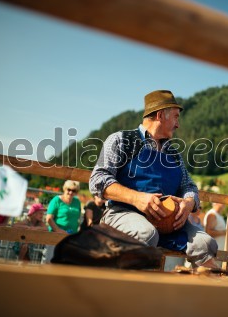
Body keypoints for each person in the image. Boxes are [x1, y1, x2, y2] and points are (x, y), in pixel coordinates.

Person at [90, 90, 218, 268]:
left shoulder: (174, 155)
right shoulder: (120, 140)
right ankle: (123, 291)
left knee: (205, 243)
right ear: (160, 115)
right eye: (175, 117)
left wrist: (189, 202)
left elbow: (188, 185)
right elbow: (98, 179)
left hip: (166, 222)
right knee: (146, 233)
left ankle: (206, 293)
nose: (178, 124)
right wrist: (137, 198)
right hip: (123, 213)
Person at [42, 180, 81, 263]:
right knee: (49, 261)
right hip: (55, 236)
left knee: (65, 264)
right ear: (64, 189)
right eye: (69, 189)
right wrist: (58, 230)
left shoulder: (77, 202)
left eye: (73, 191)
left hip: (70, 238)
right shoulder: (56, 200)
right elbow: (49, 218)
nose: (70, 192)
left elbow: (78, 218)